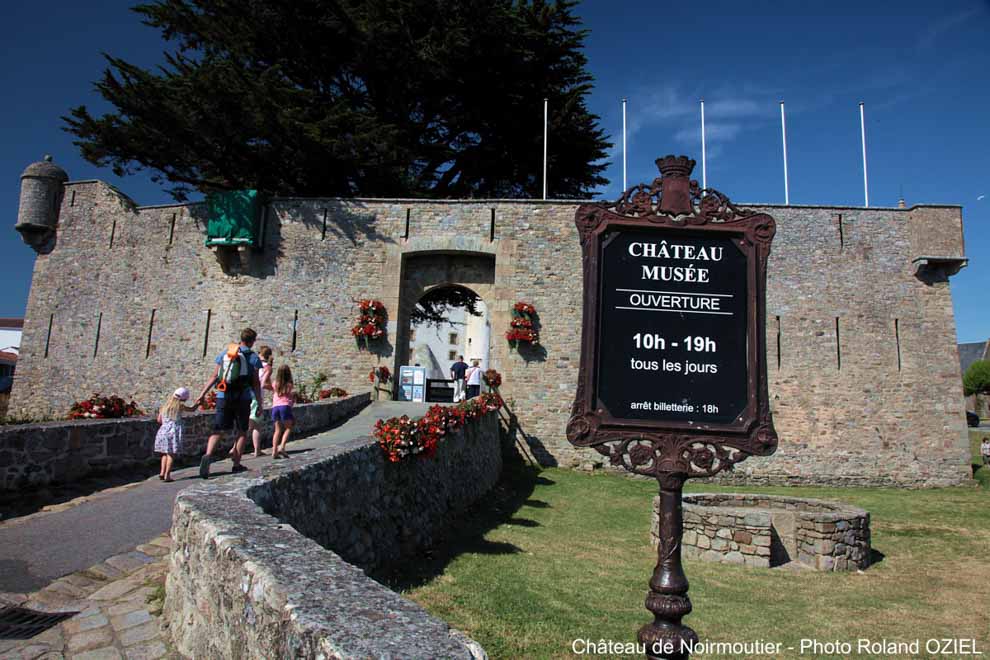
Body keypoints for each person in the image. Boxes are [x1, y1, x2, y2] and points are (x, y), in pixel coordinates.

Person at [196, 328, 263, 478]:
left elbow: (215, 376)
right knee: (241, 431)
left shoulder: (227, 353)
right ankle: (236, 464)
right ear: (252, 341)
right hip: (242, 398)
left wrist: (202, 394)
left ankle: (207, 455)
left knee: (218, 429)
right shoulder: (253, 357)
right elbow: (256, 383)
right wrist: (259, 404)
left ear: (241, 338)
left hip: (223, 395)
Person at [154, 387, 200, 482]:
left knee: (164, 453)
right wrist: (198, 403)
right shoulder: (180, 406)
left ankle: (162, 473)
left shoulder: (164, 406)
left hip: (163, 431)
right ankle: (167, 475)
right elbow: (192, 409)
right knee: (171, 454)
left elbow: (159, 420)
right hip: (173, 432)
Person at [248, 345, 274, 457]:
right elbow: (262, 384)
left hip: (246, 395)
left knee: (246, 424)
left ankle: (235, 448)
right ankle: (257, 450)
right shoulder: (267, 367)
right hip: (256, 397)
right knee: (256, 425)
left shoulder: (253, 365)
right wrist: (274, 389)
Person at [271, 364, 295, 459]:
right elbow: (289, 396)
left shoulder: (275, 383)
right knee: (288, 427)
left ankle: (274, 451)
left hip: (275, 407)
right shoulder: (289, 384)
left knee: (277, 430)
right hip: (285, 406)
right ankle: (282, 447)